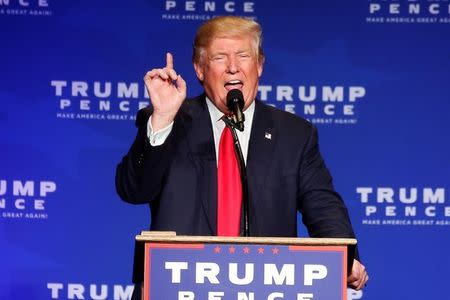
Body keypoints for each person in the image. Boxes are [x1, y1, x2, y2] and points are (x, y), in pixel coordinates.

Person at [116, 16, 368, 299]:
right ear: (200, 69)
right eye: (220, 57)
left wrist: (344, 258)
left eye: (243, 55)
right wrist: (162, 118)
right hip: (179, 289)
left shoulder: (294, 135)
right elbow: (134, 190)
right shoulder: (169, 120)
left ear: (259, 65)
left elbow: (323, 206)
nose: (233, 67)